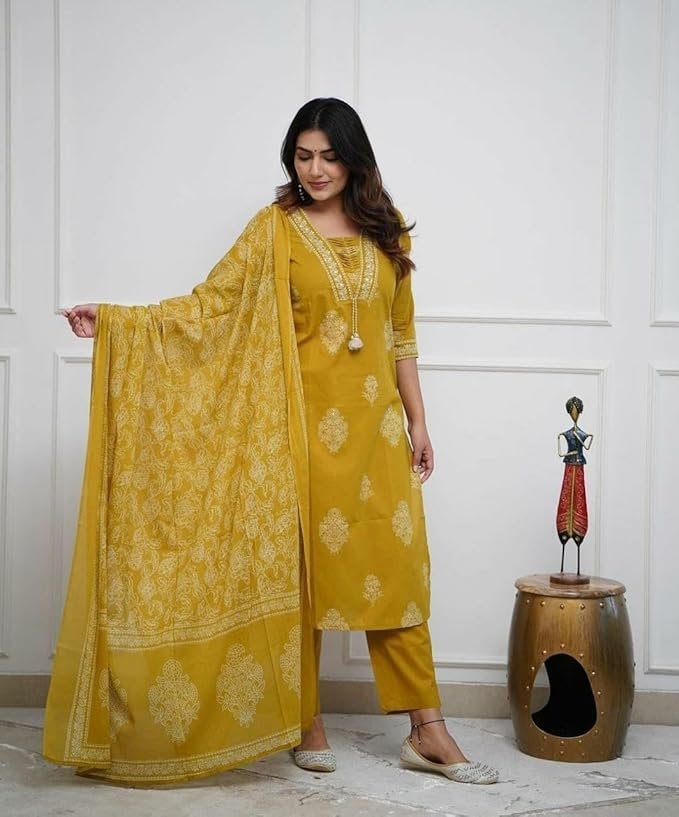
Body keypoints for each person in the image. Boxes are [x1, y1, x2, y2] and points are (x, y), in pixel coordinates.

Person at [47, 98, 498, 786]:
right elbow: (210, 306)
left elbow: (401, 336)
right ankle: (304, 721)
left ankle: (426, 729)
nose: (315, 170)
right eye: (303, 155)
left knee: (398, 576)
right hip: (295, 432)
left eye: (329, 156)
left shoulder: (387, 232)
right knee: (301, 576)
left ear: (354, 159)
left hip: (377, 436)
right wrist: (115, 321)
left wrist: (418, 420)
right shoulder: (274, 230)